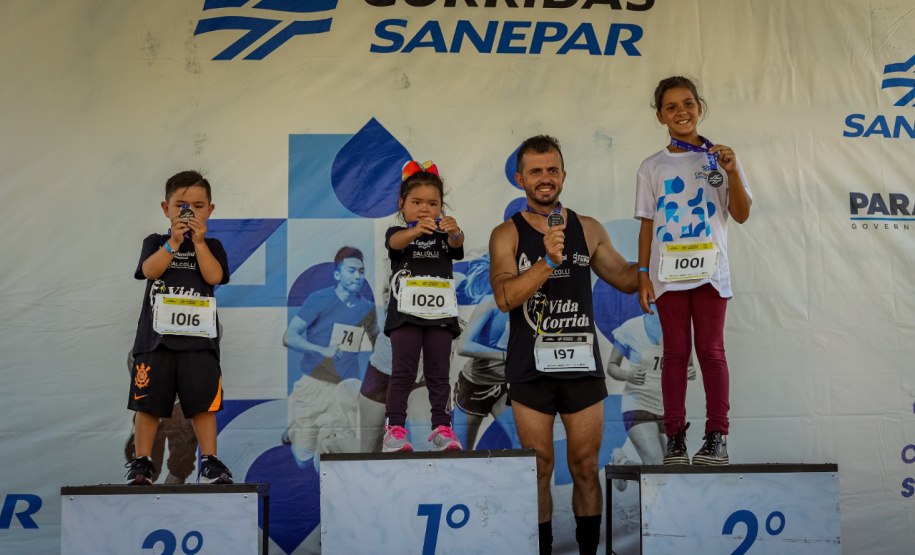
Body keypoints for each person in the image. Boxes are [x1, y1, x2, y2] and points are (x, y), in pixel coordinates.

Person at [489, 136, 638, 555]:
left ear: (564, 175)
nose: (545, 178)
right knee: (538, 468)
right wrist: (547, 262)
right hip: (530, 368)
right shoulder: (506, 234)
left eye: (552, 169)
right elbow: (504, 298)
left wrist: (662, 251)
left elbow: (627, 278)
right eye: (535, 171)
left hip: (580, 366)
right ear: (520, 179)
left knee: (586, 466)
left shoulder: (587, 228)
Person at [635, 75, 752, 466]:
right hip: (668, 275)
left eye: (688, 103)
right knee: (675, 354)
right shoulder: (652, 166)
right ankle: (675, 440)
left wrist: (732, 172)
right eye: (671, 107)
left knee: (711, 351)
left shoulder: (718, 158)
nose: (681, 112)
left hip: (709, 273)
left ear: (699, 108)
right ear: (659, 116)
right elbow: (648, 225)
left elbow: (740, 214)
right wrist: (642, 276)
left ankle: (717, 436)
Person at [126, 170, 233, 485]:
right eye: (181, 205)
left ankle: (210, 461)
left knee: (202, 404)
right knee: (149, 404)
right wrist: (174, 241)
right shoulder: (156, 242)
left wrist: (198, 242)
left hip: (198, 343)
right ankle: (142, 462)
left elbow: (214, 277)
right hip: (155, 341)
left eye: (198, 206)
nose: (190, 212)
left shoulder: (212, 245)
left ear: (210, 210)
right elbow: (150, 270)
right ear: (166, 209)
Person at [382, 160, 465, 453]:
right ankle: (394, 430)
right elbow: (395, 242)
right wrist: (416, 231)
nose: (424, 209)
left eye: (432, 203)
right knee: (402, 372)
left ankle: (443, 429)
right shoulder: (398, 232)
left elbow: (458, 246)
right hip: (406, 316)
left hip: (439, 315)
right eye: (416, 202)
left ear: (441, 207)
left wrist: (454, 233)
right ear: (402, 204)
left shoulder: (444, 235)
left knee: (439, 373)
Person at [284, 246, 378, 467]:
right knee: (303, 459)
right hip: (312, 386)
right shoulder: (319, 298)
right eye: (351, 270)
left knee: (333, 457)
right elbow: (290, 336)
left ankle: (328, 436)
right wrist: (321, 350)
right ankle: (304, 430)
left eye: (362, 271)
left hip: (345, 389)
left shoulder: (367, 308)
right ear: (337, 274)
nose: (358, 275)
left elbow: (378, 343)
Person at [605, 311, 695, 467]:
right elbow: (612, 366)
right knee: (655, 463)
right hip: (639, 403)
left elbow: (689, 366)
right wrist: (627, 375)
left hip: (669, 409)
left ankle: (622, 464)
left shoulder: (682, 328)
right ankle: (623, 464)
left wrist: (690, 371)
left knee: (671, 469)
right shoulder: (631, 327)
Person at [452, 254, 511, 450]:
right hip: (475, 384)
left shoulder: (531, 302)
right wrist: (505, 356)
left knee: (523, 442)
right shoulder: (490, 301)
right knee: (462, 452)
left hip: (504, 386)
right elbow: (464, 346)